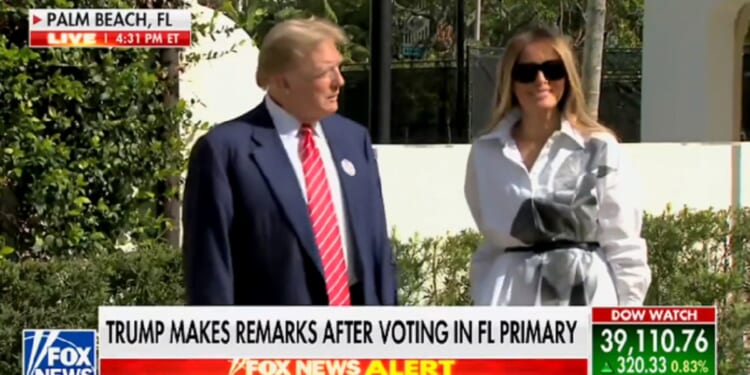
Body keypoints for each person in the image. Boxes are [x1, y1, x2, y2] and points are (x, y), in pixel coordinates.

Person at [182, 17, 397, 306]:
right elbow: (210, 270)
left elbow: (378, 251)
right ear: (282, 81)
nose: (339, 81)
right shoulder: (224, 152)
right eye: (325, 72)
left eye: (339, 67)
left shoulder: (353, 139)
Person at [463, 26, 651, 306]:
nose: (541, 80)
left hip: (586, 301)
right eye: (526, 72)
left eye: (552, 70)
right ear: (510, 82)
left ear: (568, 76)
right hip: (508, 307)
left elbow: (624, 244)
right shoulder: (485, 153)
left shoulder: (599, 149)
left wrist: (625, 317)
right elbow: (491, 241)